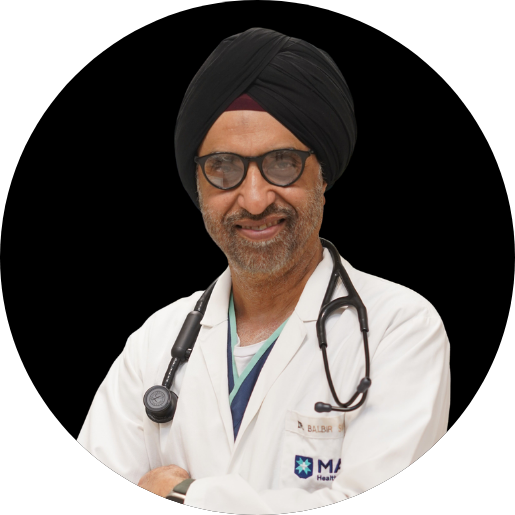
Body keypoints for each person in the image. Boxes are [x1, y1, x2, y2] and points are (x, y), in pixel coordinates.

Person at [77, 27, 450, 512]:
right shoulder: (154, 342)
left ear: (322, 174)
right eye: (223, 167)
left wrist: (187, 494)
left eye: (282, 163)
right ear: (198, 182)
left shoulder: (399, 329)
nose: (254, 199)